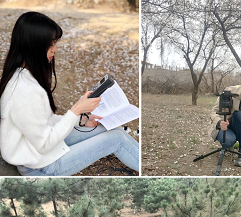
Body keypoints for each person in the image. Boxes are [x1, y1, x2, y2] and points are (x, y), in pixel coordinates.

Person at [0, 12, 139, 176]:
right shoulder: (24, 90)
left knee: (111, 127)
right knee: (117, 139)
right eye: (50, 44)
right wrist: (76, 110)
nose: (55, 49)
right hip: (41, 166)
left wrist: (82, 120)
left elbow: (43, 121)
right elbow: (44, 143)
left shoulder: (22, 75)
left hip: (40, 151)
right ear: (34, 46)